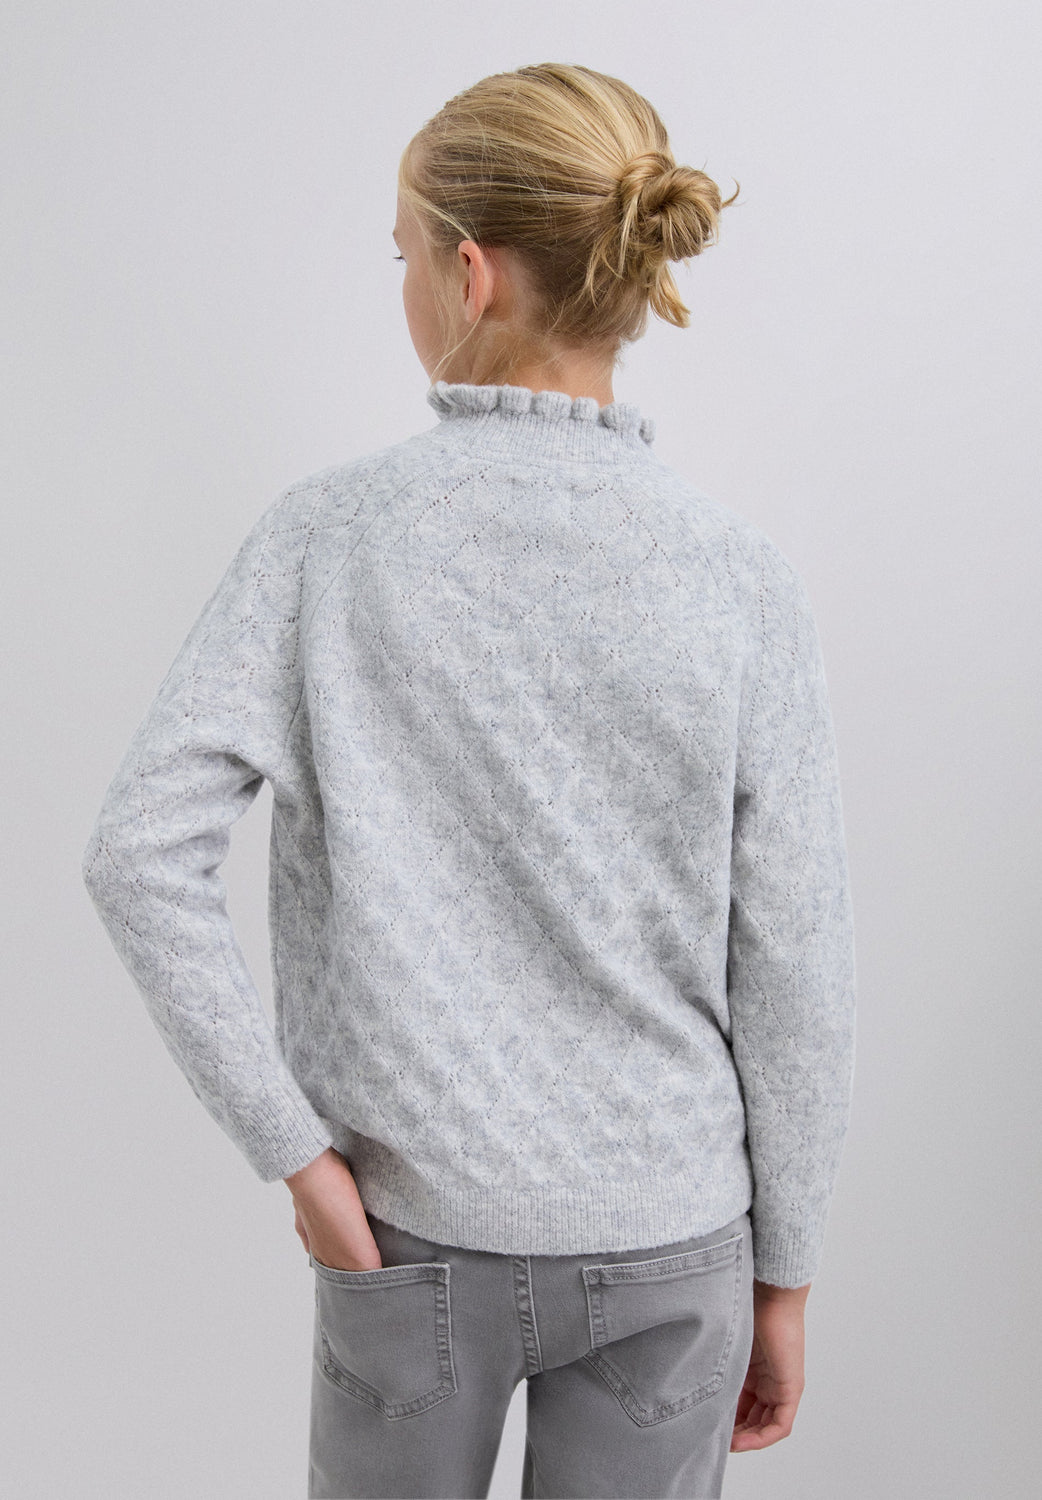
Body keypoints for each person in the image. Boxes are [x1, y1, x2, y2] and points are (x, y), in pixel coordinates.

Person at [81, 62, 856, 1500]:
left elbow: (139, 856)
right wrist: (788, 1273)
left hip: (406, 1238)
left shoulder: (326, 539)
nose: (404, 287)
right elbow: (795, 959)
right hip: (675, 1240)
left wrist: (298, 1160)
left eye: (401, 256)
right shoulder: (740, 579)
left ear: (470, 271)